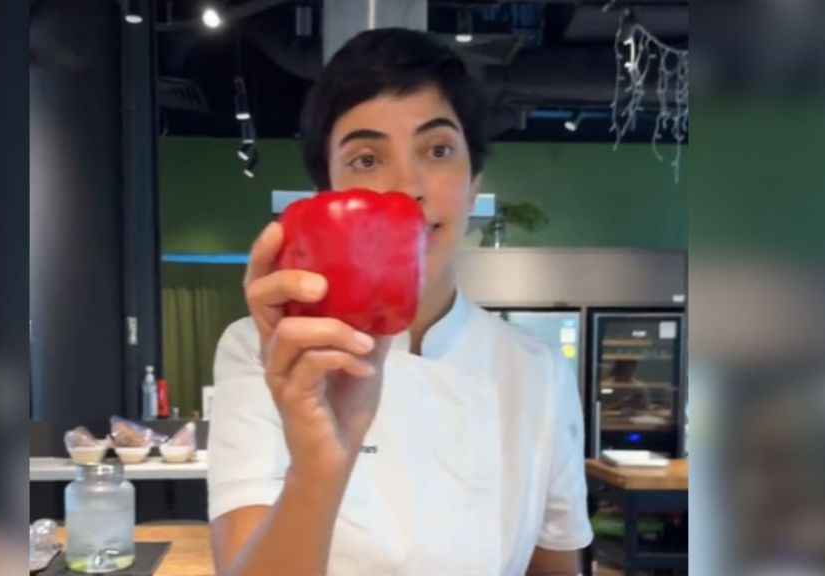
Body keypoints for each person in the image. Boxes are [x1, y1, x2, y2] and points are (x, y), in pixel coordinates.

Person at [207, 28, 593, 576]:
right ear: (328, 193)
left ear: (472, 179)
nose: (406, 186)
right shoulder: (263, 352)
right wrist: (318, 468)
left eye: (438, 150)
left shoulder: (536, 373)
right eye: (366, 159)